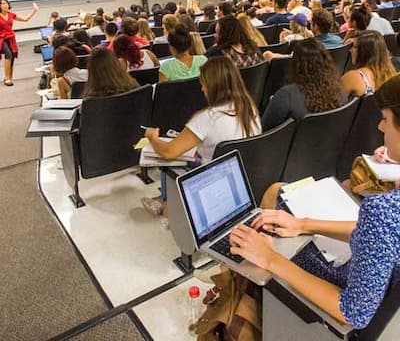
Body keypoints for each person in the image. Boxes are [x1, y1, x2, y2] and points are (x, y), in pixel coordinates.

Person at [230, 74, 400, 331]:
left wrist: (270, 259)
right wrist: (304, 224)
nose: (380, 127)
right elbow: (377, 237)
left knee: (253, 248)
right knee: (279, 199)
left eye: (386, 120)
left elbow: (353, 313)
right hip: (377, 283)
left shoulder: (384, 210)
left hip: (346, 298)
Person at [142, 56, 262, 218]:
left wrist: (152, 138)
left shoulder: (207, 118)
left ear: (213, 86)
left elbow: (169, 152)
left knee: (168, 160)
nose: (202, 89)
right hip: (241, 179)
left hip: (209, 182)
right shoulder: (249, 107)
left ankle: (167, 204)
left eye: (203, 84)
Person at [262, 38, 346, 130]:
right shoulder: (340, 91)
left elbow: (265, 129)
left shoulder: (286, 96)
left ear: (295, 64)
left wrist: (276, 102)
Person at [341, 30, 396, 97]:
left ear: (364, 52)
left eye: (354, 47)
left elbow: (334, 102)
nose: (350, 50)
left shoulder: (353, 77)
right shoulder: (392, 76)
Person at [0, 0, 38, 86]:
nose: (5, 5)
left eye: (6, 3)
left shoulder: (11, 14)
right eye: (2, 4)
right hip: (1, 39)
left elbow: (26, 19)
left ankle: (10, 78)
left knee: (12, 57)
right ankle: (6, 78)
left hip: (11, 38)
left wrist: (34, 10)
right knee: (8, 54)